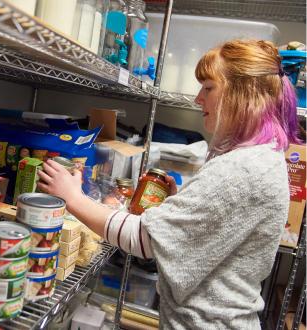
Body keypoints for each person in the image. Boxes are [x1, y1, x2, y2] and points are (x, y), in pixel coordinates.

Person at [37, 39, 301, 329]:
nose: (198, 98)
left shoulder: (244, 167)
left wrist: (72, 197)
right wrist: (181, 207)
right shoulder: (260, 158)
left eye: (209, 88)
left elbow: (145, 240)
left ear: (244, 93)